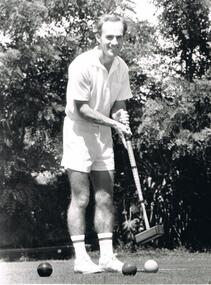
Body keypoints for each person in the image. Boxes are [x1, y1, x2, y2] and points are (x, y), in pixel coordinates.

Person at [61, 13, 133, 274]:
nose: (114, 42)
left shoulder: (121, 67)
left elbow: (119, 102)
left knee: (105, 196)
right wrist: (114, 124)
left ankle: (106, 257)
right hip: (78, 133)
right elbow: (81, 109)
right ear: (98, 37)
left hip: (103, 134)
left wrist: (120, 115)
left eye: (119, 37)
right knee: (80, 197)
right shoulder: (82, 64)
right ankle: (81, 259)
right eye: (109, 36)